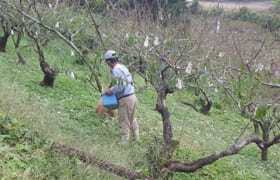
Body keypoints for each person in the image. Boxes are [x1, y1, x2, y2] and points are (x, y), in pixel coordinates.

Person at [104, 50, 139, 143]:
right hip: (132, 96)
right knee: (131, 118)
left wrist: (110, 91)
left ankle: (124, 142)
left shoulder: (116, 70)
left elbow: (120, 85)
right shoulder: (123, 67)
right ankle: (137, 138)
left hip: (126, 98)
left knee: (124, 119)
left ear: (108, 61)